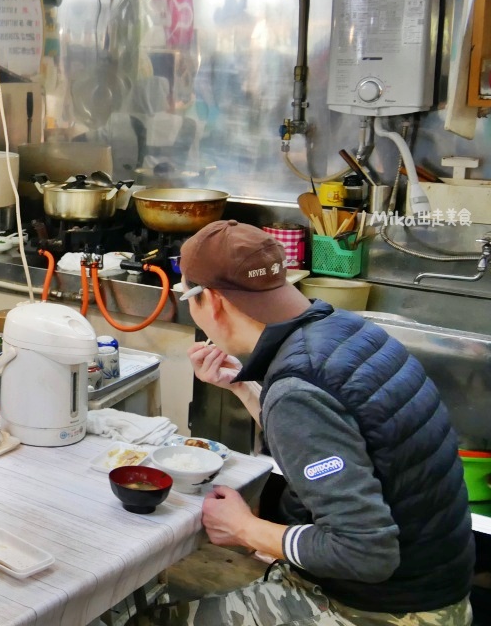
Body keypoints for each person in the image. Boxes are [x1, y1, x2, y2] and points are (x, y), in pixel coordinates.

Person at [158, 220, 472, 626]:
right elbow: (329, 443)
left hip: (384, 610)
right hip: (437, 588)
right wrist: (243, 388)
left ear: (212, 301)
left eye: (190, 301)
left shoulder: (299, 387)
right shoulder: (342, 328)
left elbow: (365, 552)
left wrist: (245, 529)